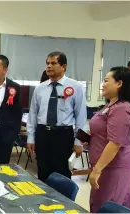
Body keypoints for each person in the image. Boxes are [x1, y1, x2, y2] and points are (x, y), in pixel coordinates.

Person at [84, 67, 130, 212]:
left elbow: (115, 143)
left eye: (106, 80)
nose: (103, 84)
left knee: (110, 206)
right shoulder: (110, 105)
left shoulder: (122, 108)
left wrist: (96, 170)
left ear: (119, 83)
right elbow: (104, 133)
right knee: (99, 204)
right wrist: (91, 139)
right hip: (104, 166)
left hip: (116, 167)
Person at [26, 52, 86, 182]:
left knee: (62, 172)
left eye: (53, 63)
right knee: (43, 171)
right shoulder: (40, 88)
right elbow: (33, 115)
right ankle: (44, 200)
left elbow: (81, 116)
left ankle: (62, 201)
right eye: (47, 63)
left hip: (63, 135)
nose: (49, 66)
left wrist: (78, 142)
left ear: (64, 66)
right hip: (43, 133)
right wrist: (31, 138)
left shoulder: (76, 87)